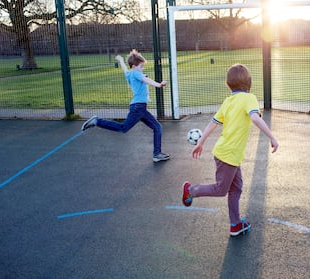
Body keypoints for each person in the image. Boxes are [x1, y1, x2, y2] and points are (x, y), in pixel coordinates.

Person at [182, 63, 279, 236]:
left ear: (229, 83)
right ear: (248, 82)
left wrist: (201, 142)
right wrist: (271, 136)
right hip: (228, 155)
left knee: (237, 187)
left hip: (228, 153)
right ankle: (190, 190)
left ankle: (235, 224)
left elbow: (213, 123)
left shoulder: (228, 101)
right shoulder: (249, 98)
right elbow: (255, 118)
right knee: (221, 189)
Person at [81, 49, 170, 163]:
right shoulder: (135, 73)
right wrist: (159, 84)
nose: (142, 69)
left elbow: (125, 70)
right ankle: (97, 121)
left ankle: (157, 154)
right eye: (141, 66)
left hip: (140, 108)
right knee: (123, 128)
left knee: (157, 127)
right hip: (138, 108)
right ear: (133, 66)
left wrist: (121, 61)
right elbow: (146, 79)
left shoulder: (130, 73)